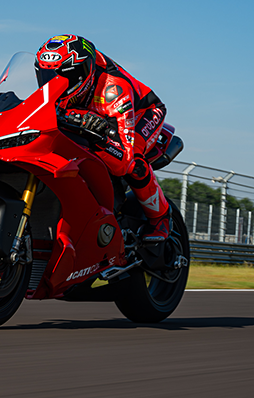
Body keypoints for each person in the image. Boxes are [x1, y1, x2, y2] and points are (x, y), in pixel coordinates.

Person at [34, 34, 170, 242]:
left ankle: (160, 217)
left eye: (64, 77)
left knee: (134, 161)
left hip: (143, 113)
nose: (54, 83)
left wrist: (98, 135)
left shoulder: (113, 90)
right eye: (48, 76)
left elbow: (122, 161)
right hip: (88, 112)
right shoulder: (64, 89)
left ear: (84, 71)